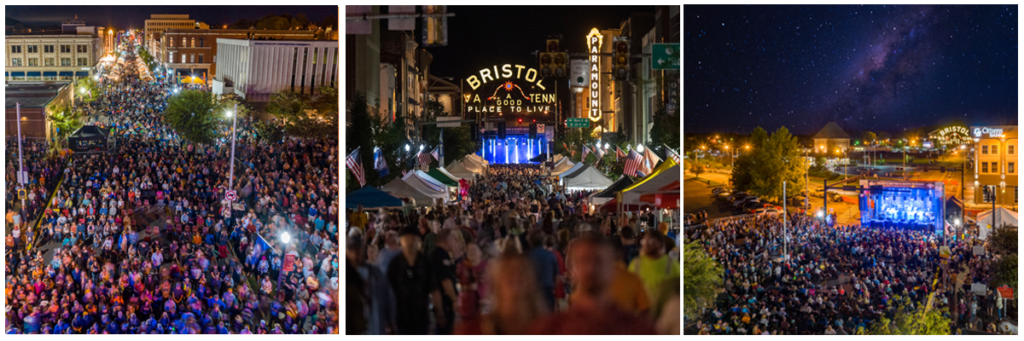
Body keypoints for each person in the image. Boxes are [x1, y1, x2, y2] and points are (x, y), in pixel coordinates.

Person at [529, 236, 656, 334]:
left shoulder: (637, 330)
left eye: (598, 261)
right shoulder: (549, 329)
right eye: (584, 261)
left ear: (612, 268)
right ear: (573, 270)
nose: (590, 268)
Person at [386, 228, 440, 335]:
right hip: (401, 315)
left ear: (419, 242)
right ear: (401, 242)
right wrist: (388, 317)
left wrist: (439, 311)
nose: (410, 243)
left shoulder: (425, 262)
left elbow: (434, 288)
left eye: (413, 240)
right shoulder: (395, 264)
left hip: (422, 314)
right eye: (406, 240)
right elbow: (388, 291)